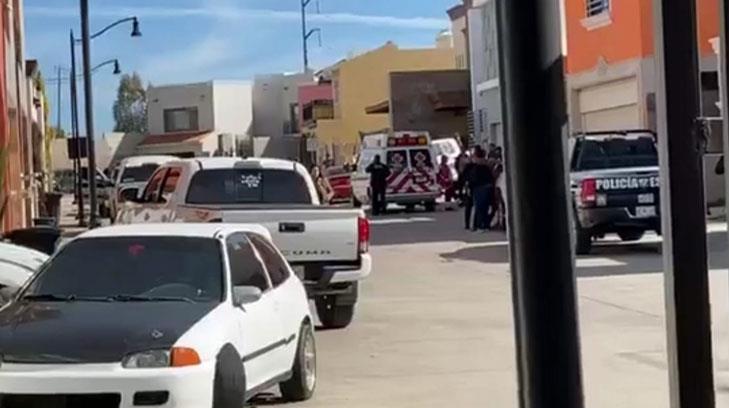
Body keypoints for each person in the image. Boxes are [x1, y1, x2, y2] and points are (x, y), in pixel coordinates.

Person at [468, 146, 495, 232]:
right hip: (485, 187)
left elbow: (472, 179)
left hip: (479, 188)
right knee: (484, 208)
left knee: (479, 208)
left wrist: (470, 187)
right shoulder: (486, 165)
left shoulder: (475, 166)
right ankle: (483, 225)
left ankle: (479, 225)